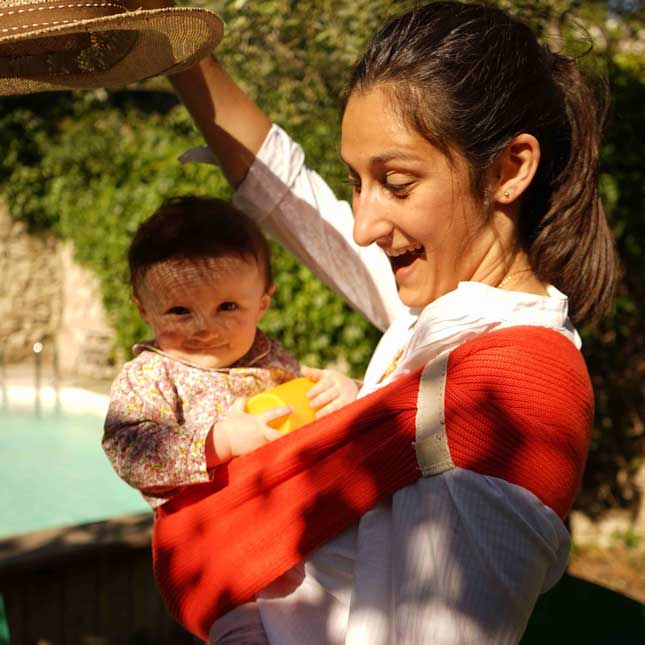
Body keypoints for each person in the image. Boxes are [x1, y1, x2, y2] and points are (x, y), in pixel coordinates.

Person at [126, 1, 618, 643]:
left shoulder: (506, 400)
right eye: (357, 181)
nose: (362, 226)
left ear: (508, 170)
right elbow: (292, 199)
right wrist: (178, 47)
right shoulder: (438, 318)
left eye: (396, 181)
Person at [102, 195, 359, 644]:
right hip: (210, 550)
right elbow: (127, 448)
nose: (205, 327)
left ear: (262, 302)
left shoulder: (270, 356)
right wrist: (218, 440)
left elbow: (308, 416)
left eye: (228, 308)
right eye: (179, 311)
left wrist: (345, 392)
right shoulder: (152, 374)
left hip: (283, 533)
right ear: (143, 310)